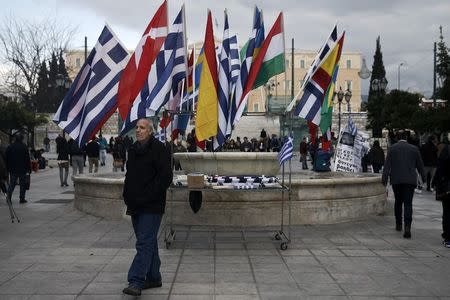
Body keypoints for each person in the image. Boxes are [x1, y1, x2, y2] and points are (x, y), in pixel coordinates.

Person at [122, 118, 172, 296]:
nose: (138, 130)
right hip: (135, 204)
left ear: (150, 131)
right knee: (148, 241)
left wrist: (148, 195)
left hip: (152, 205)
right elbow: (130, 176)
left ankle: (136, 280)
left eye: (142, 128)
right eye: (136, 128)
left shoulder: (160, 149)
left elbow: (165, 178)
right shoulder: (134, 150)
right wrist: (127, 195)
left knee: (144, 243)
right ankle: (154, 276)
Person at [382, 131, 426, 239]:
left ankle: (398, 223)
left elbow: (387, 166)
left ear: (397, 138)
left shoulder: (392, 148)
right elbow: (420, 165)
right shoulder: (414, 149)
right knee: (408, 203)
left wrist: (384, 180)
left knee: (398, 202)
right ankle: (407, 226)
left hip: (396, 180)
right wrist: (424, 179)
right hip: (410, 180)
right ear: (407, 138)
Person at [432, 142, 450, 247]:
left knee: (447, 213)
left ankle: (447, 237)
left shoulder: (444, 157)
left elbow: (440, 173)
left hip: (446, 190)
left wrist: (435, 185)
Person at [5, 134, 31, 204]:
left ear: (15, 139)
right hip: (22, 169)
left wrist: (7, 167)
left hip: (12, 169)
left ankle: (8, 198)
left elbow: (6, 158)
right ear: (22, 139)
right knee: (22, 184)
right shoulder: (24, 147)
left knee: (12, 184)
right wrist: (29, 168)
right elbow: (27, 159)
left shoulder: (10, 147)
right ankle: (22, 198)